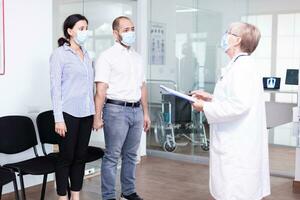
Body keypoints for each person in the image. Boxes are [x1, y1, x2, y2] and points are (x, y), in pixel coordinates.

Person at [192, 22, 270, 200]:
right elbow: (235, 99)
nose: (225, 35)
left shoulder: (242, 68)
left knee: (236, 191)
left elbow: (239, 105)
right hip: (237, 140)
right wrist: (210, 98)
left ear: (237, 40)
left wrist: (204, 106)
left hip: (237, 145)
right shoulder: (238, 66)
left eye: (228, 32)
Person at [93, 16, 151, 200]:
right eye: (126, 30)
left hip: (136, 111)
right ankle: (108, 196)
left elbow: (142, 86)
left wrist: (146, 113)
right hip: (115, 110)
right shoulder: (106, 57)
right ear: (115, 33)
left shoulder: (137, 57)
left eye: (132, 29)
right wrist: (97, 116)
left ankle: (128, 192)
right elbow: (100, 90)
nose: (130, 33)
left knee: (131, 155)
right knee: (112, 156)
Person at [50, 14, 94, 200]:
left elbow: (90, 86)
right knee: (66, 157)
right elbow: (55, 89)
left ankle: (75, 195)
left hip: (87, 112)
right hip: (68, 113)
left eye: (86, 28)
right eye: (81, 28)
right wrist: (58, 118)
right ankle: (62, 196)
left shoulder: (87, 54)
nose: (85, 32)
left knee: (80, 156)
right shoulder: (59, 54)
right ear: (70, 31)